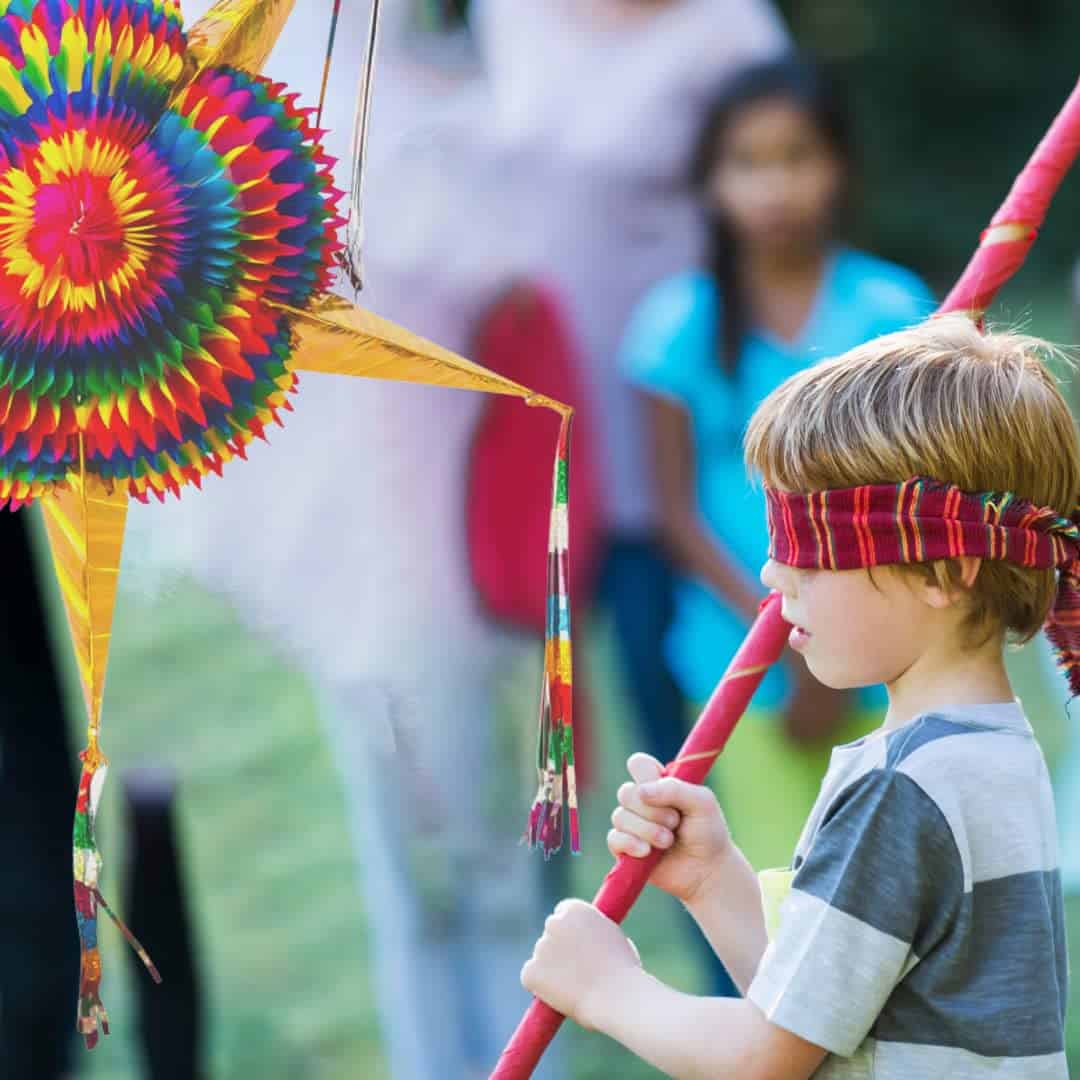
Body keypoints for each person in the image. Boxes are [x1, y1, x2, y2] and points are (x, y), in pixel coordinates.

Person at [522, 315, 1073, 1077]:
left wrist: (608, 990)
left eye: (811, 554)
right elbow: (823, 1009)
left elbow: (767, 1059)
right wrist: (717, 881)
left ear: (941, 574)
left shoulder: (903, 790)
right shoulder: (989, 753)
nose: (774, 578)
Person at [621, 55, 935, 878]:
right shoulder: (676, 328)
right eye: (748, 164)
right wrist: (793, 646)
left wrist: (844, 645)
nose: (774, 187)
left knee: (896, 901)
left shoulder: (894, 316)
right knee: (779, 905)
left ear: (838, 166)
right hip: (740, 670)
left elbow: (919, 498)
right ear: (710, 182)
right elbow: (676, 516)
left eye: (797, 157)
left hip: (887, 663)